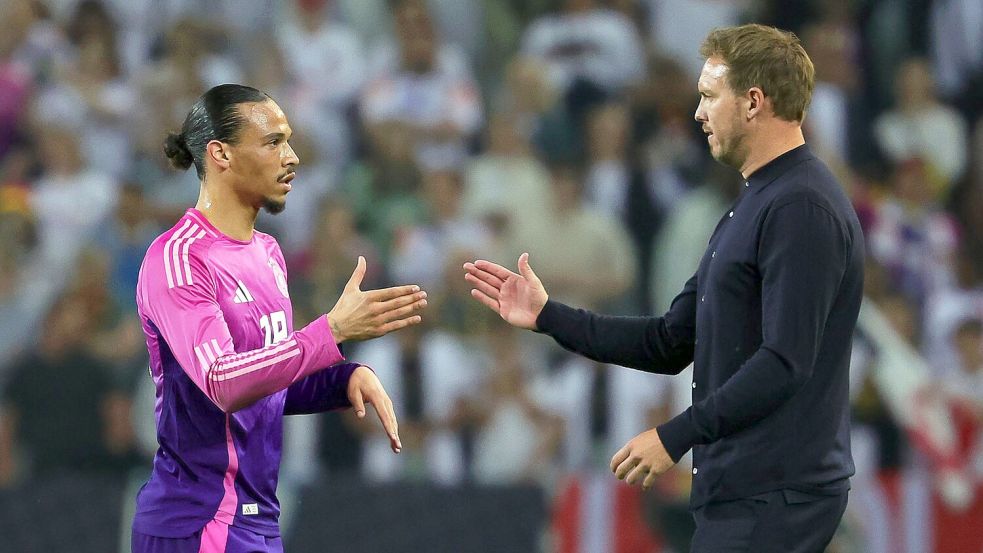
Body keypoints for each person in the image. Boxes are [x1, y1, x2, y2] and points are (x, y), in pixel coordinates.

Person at [464, 24, 864, 552]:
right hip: (744, 493)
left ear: (753, 102)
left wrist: (675, 436)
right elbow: (670, 340)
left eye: (709, 96)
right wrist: (548, 315)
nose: (697, 113)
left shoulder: (801, 207)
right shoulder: (755, 203)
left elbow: (785, 361)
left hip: (776, 494)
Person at [131, 84, 428, 553]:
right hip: (199, 521)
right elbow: (223, 383)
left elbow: (266, 382)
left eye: (288, 141)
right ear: (221, 154)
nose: (292, 157)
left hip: (256, 520)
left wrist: (341, 380)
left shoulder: (268, 253)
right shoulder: (180, 258)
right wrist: (330, 331)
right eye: (273, 142)